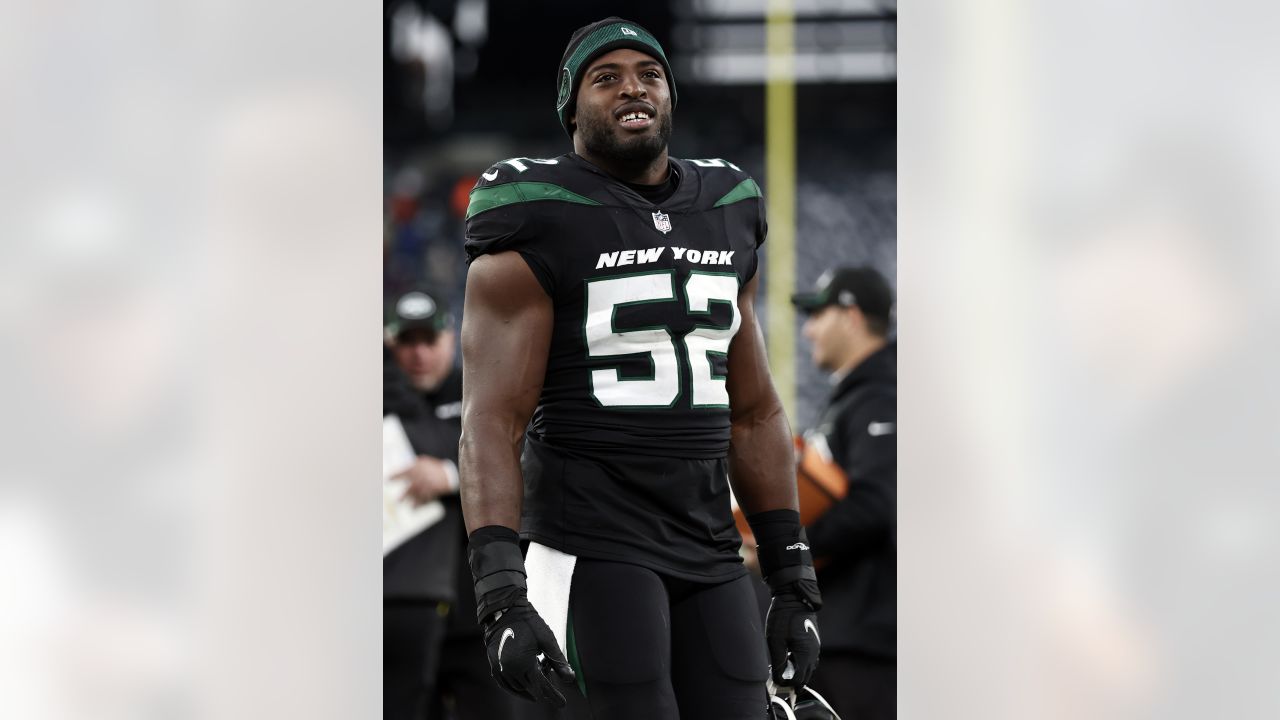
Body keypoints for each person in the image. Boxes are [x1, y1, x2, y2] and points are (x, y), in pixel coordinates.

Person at [457, 17, 822, 719]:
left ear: (670, 97)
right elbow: (492, 420)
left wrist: (792, 575)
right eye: (607, 77)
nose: (633, 88)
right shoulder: (537, 208)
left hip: (709, 542)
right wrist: (501, 590)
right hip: (590, 539)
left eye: (649, 74)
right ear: (572, 106)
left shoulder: (727, 206)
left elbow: (755, 413)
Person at [383, 289, 523, 720]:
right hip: (402, 601)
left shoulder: (479, 396)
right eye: (407, 342)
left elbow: (524, 463)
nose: (418, 353)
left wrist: (448, 474)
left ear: (450, 337)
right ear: (391, 346)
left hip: (473, 608)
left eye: (429, 339)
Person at [790, 267, 897, 720]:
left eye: (818, 313)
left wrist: (789, 551)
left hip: (870, 639)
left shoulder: (882, 396)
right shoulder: (854, 397)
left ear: (852, 316)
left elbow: (880, 505)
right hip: (844, 630)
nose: (809, 329)